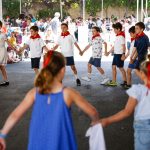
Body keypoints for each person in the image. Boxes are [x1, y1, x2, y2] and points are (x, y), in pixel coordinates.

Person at [0, 51, 99, 150]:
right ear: (63, 70)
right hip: (62, 144)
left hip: (38, 144)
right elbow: (93, 111)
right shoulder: (68, 93)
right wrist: (95, 122)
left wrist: (2, 135)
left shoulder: (34, 93)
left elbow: (15, 115)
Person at [100, 54, 150, 150]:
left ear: (142, 74)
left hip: (143, 128)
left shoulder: (138, 90)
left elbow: (127, 112)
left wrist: (107, 120)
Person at [106, 22, 127, 87]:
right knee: (113, 67)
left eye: (115, 29)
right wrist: (109, 52)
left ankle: (125, 82)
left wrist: (123, 54)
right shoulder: (118, 36)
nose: (114, 30)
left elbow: (124, 46)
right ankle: (114, 81)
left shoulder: (121, 36)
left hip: (119, 54)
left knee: (121, 68)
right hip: (115, 54)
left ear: (119, 29)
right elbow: (114, 46)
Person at [0, 21, 14, 86]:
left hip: (1, 50)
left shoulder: (3, 34)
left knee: (1, 66)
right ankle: (6, 80)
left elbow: (8, 43)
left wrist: (14, 48)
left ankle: (6, 80)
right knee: (2, 67)